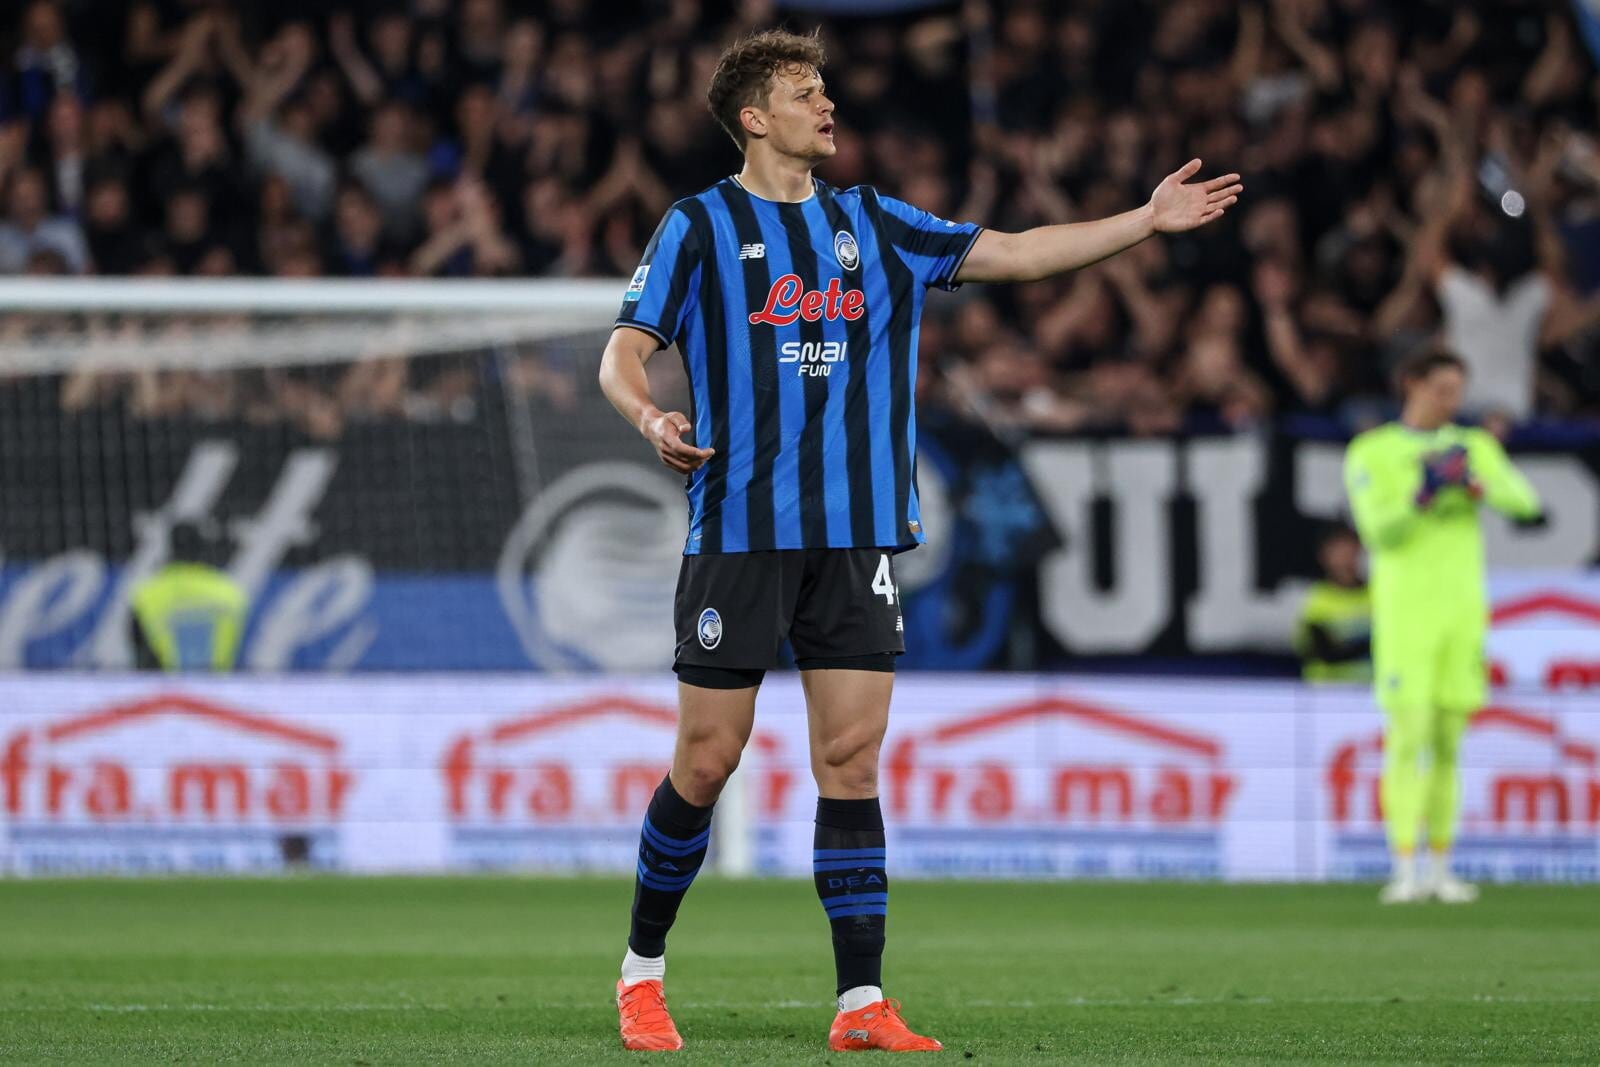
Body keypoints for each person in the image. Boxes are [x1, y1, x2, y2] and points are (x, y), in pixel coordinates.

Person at [596, 28, 1241, 1053]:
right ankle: (641, 973)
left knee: (851, 760)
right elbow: (622, 353)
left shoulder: (874, 222)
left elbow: (1016, 252)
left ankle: (861, 1000)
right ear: (754, 118)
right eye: (805, 92)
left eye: (825, 90)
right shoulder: (698, 225)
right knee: (708, 758)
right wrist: (649, 416)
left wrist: (1145, 220)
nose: (828, 105)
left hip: (857, 537)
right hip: (742, 530)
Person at [1342, 351, 1543, 905]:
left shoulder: (1472, 447)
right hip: (1406, 617)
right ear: (1412, 384)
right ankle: (1403, 868)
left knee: (1450, 744)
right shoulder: (1373, 450)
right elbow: (1377, 532)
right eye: (1441, 390)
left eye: (1457, 390)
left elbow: (1526, 503)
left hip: (1462, 614)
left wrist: (1476, 484)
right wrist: (1423, 494)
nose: (1451, 401)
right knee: (1409, 738)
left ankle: (1440, 868)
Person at [129, 521, 248, 672]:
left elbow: (138, 648)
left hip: (167, 684)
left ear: (170, 548)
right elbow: (244, 643)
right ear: (202, 548)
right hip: (220, 683)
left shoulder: (147, 594)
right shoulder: (230, 592)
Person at [1293, 524, 1372, 683]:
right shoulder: (1316, 601)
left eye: (1349, 549)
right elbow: (1326, 654)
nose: (1345, 557)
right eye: (1337, 551)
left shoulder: (1379, 594)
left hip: (1374, 689)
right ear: (1324, 556)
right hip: (1330, 692)